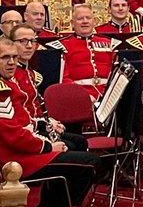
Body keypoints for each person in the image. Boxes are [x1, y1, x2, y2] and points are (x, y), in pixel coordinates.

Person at [0, 37, 106, 207]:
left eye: (14, 57)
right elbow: (14, 136)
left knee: (76, 152)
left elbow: (20, 121)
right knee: (91, 164)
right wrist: (48, 147)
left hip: (19, 152)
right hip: (13, 159)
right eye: (5, 57)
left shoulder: (4, 81)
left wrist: (42, 125)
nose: (11, 62)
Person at [9, 23, 87, 151]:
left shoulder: (29, 72)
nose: (29, 46)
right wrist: (43, 124)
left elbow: (36, 107)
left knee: (80, 141)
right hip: (27, 131)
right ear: (12, 44)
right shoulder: (12, 74)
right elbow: (20, 113)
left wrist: (49, 121)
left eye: (32, 41)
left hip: (37, 124)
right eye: (23, 41)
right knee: (72, 146)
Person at [59, 4, 117, 97]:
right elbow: (63, 77)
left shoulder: (109, 43)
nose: (85, 21)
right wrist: (81, 95)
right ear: (72, 23)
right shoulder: (64, 46)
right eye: (80, 19)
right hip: (78, 95)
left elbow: (117, 71)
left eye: (88, 18)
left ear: (94, 21)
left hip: (109, 95)